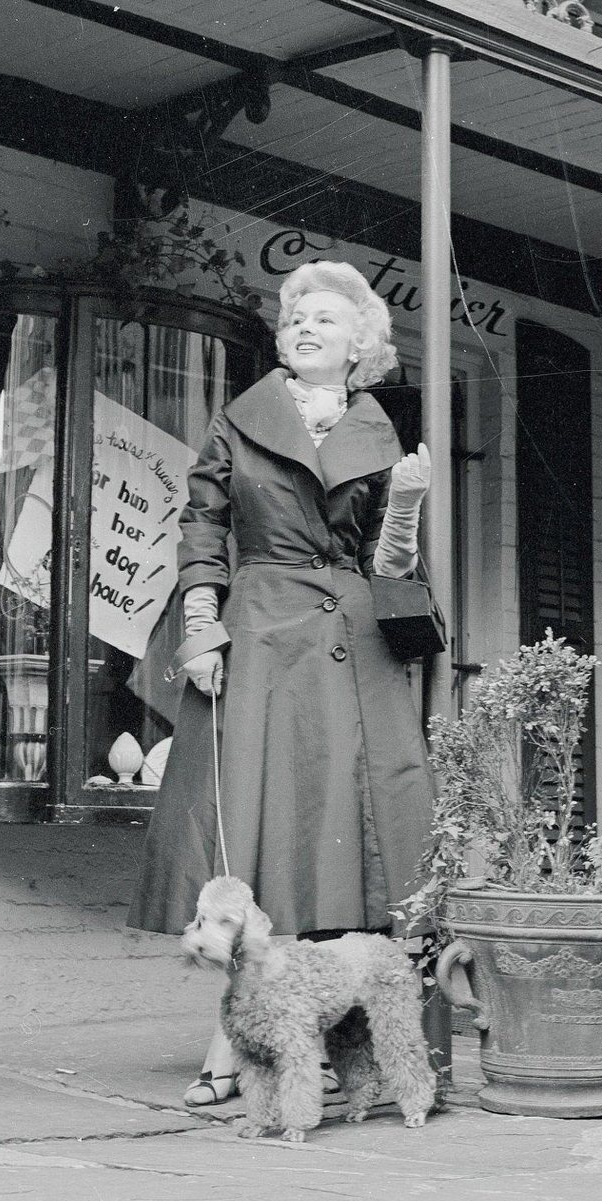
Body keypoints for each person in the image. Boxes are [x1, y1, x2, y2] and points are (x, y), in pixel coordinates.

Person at [127, 260, 437, 1106]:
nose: (306, 328)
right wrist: (199, 622)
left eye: (327, 320)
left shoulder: (381, 433)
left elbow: (390, 564)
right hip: (260, 631)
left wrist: (406, 505)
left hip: (349, 641)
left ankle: (316, 1037)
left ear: (360, 346)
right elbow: (203, 523)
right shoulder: (242, 420)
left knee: (334, 838)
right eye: (298, 317)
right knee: (257, 832)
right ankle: (232, 1045)